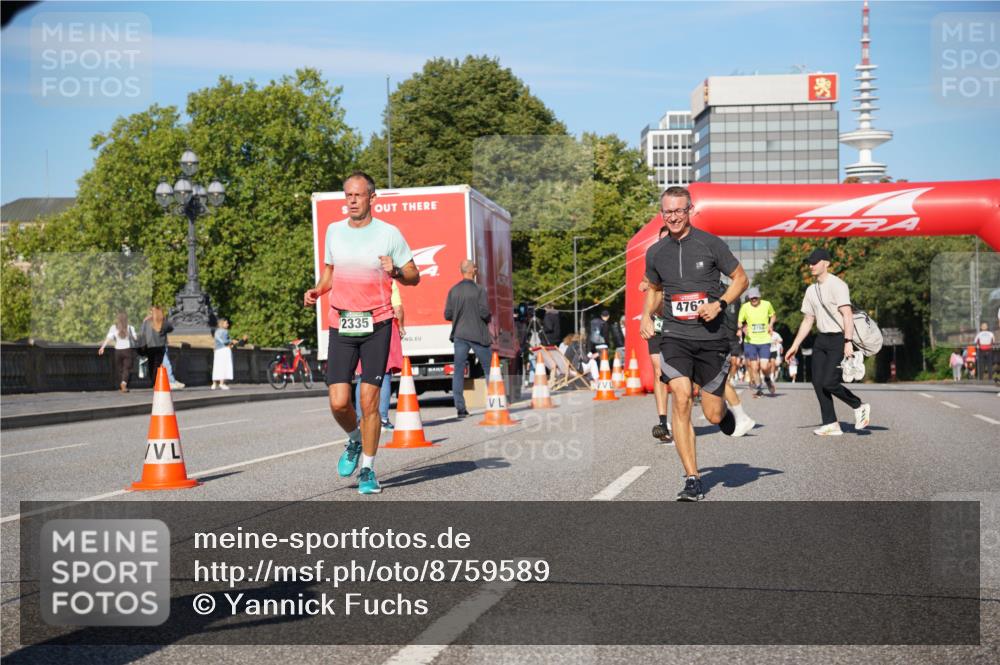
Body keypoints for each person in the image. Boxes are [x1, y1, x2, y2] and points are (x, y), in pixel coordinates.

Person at [304, 171, 419, 495]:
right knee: (339, 401)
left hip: (377, 324)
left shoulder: (389, 234)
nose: (351, 201)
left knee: (369, 402)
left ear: (372, 197)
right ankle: (354, 440)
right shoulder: (334, 232)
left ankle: (368, 469)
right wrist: (317, 291)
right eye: (347, 195)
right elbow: (330, 273)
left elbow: (414, 275)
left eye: (357, 195)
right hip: (342, 323)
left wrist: (394, 270)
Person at [640, 186, 749, 501]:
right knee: (682, 396)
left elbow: (742, 279)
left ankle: (725, 413)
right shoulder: (656, 252)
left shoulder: (710, 244)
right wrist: (647, 316)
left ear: (689, 210)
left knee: (713, 415)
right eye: (667, 212)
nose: (672, 217)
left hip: (711, 338)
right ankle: (692, 478)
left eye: (678, 211)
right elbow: (655, 289)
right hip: (674, 336)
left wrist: (720, 304)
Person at [784, 248, 870, 436]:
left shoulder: (838, 285)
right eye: (809, 262)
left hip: (839, 338)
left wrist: (848, 342)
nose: (811, 265)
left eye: (815, 262)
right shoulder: (811, 290)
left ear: (827, 263)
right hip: (821, 339)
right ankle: (831, 423)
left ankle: (859, 406)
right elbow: (808, 320)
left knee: (829, 382)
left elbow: (847, 314)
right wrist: (795, 345)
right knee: (817, 381)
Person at [444, 260, 493, 419]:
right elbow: (484, 313)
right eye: (475, 267)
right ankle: (494, 402)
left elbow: (448, 315)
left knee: (458, 371)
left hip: (459, 335)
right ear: (472, 271)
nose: (477, 269)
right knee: (490, 369)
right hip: (478, 335)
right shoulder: (479, 290)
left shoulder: (453, 290)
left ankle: (460, 408)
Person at [354, 281, 405, 430]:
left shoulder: (360, 281)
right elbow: (398, 308)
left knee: (363, 375)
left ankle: (359, 419)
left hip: (362, 326)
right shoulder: (388, 281)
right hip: (384, 326)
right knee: (385, 373)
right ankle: (382, 419)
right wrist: (401, 325)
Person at [640, 226, 673, 443]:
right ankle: (663, 422)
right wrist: (646, 284)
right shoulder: (654, 261)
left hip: (679, 322)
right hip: (658, 322)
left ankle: (683, 413)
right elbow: (643, 282)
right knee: (658, 369)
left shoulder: (682, 261)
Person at [737, 287, 777, 398]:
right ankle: (759, 389)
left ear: (759, 296)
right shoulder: (745, 307)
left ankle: (767, 379)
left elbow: (773, 315)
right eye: (751, 298)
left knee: (764, 367)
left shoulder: (767, 304)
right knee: (754, 367)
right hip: (750, 342)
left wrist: (771, 324)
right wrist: (743, 327)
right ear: (749, 298)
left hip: (764, 340)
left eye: (755, 297)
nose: (753, 299)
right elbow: (739, 322)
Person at [98, 311, 137, 393]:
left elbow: (108, 338)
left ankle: (121, 383)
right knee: (127, 368)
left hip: (118, 350)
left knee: (119, 369)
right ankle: (124, 383)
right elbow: (135, 338)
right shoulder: (130, 327)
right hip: (127, 350)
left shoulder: (113, 327)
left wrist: (102, 347)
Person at [140, 306, 174, 383]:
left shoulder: (147, 322)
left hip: (150, 345)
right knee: (158, 364)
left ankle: (153, 380)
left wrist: (142, 345)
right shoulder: (163, 322)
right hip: (160, 346)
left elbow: (142, 334)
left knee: (151, 363)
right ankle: (155, 381)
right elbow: (171, 328)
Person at [212, 318, 234, 390]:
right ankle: (222, 383)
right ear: (222, 324)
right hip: (224, 350)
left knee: (217, 366)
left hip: (217, 350)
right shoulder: (225, 331)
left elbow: (217, 342)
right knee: (224, 367)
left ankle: (214, 383)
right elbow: (225, 342)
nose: (227, 325)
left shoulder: (216, 331)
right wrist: (232, 341)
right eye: (226, 323)